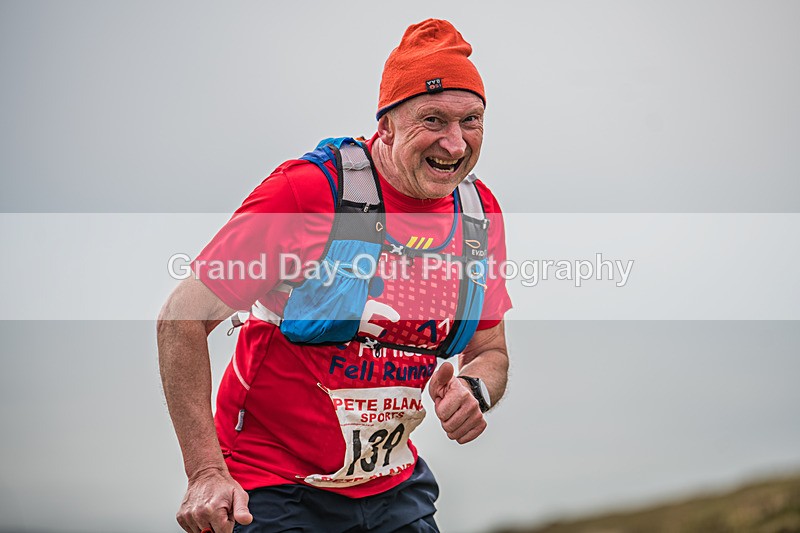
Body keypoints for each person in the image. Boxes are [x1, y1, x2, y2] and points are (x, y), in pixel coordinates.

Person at [158, 19, 512, 533]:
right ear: (386, 125)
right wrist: (206, 472)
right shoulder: (307, 194)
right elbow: (180, 319)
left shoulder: (479, 216)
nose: (455, 144)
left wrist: (475, 390)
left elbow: (490, 351)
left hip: (395, 489)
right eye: (433, 119)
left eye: (471, 121)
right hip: (272, 489)